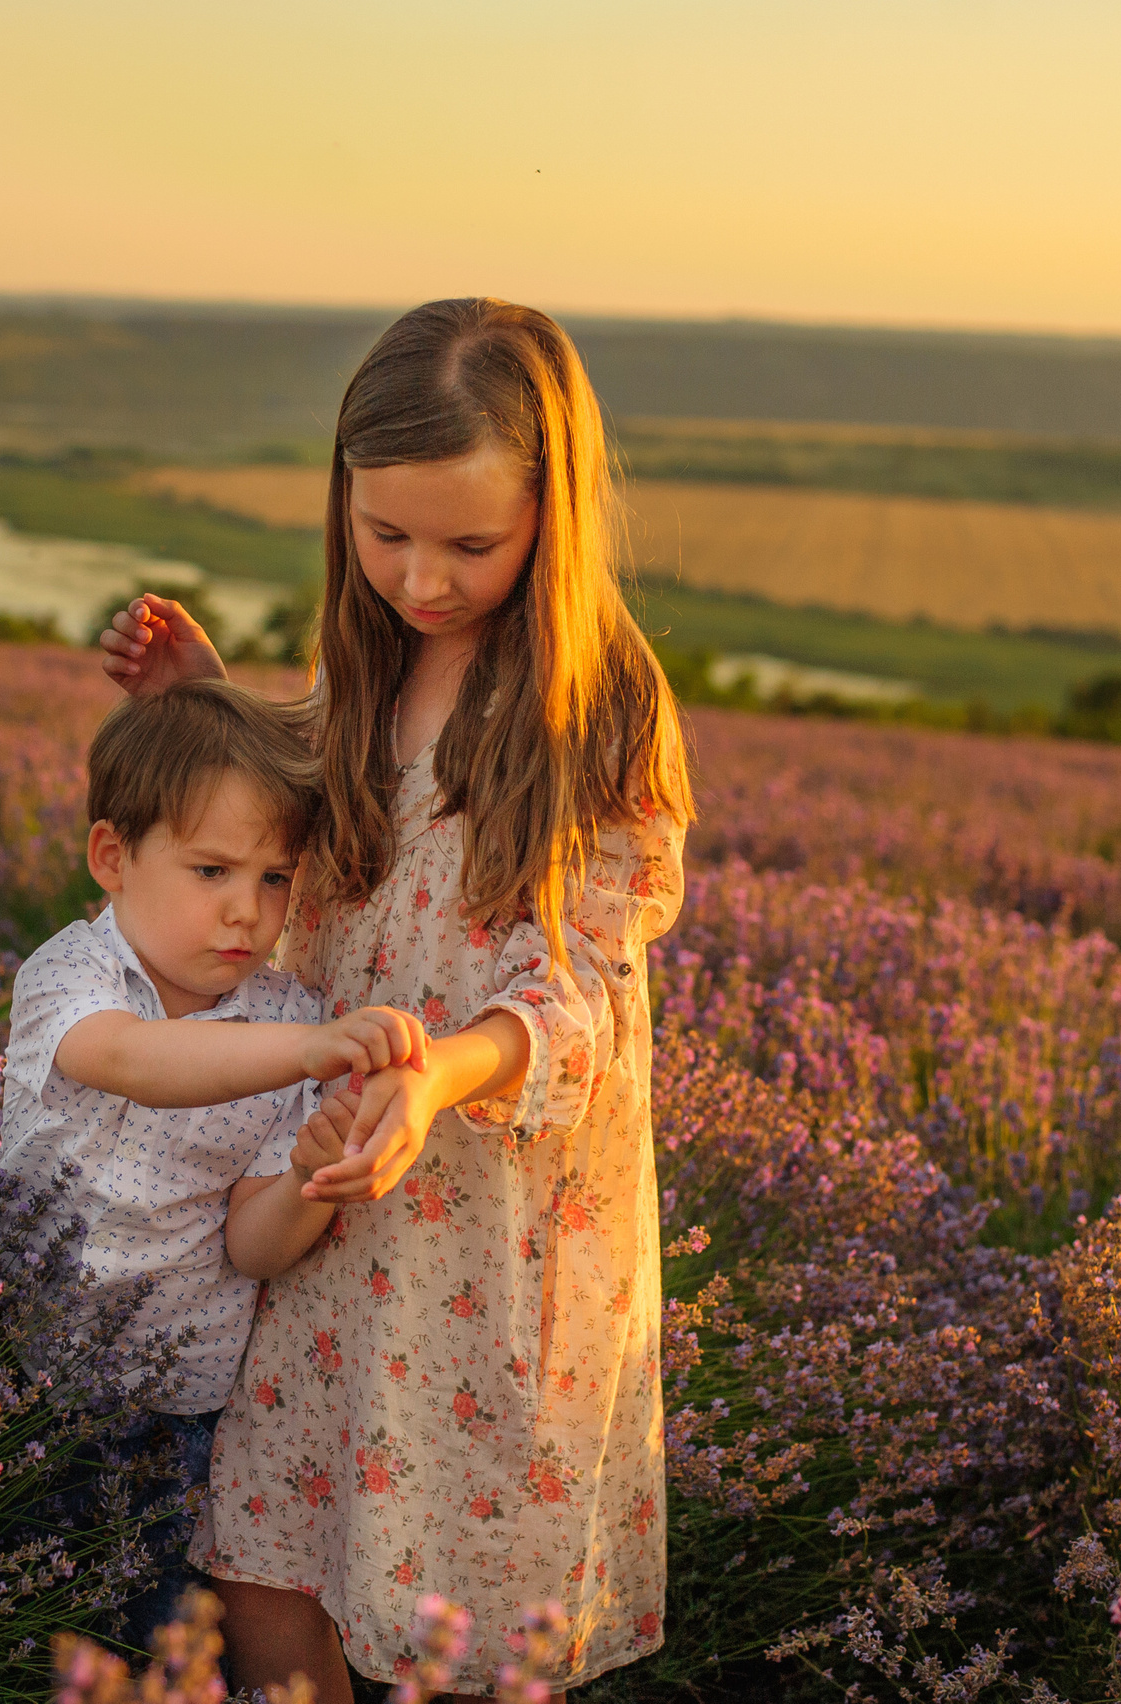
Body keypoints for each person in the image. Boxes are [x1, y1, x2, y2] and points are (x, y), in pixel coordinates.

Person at [97, 298, 693, 1698]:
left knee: (458, 1587)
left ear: (550, 514)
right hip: (326, 1175)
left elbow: (588, 986)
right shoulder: (363, 663)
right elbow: (314, 843)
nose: (422, 579)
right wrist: (210, 706)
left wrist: (439, 1075)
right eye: (386, 535)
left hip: (487, 1216)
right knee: (270, 1554)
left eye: (470, 546)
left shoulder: (600, 704)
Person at [0, 676, 432, 1652]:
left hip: (173, 1400)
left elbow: (251, 1248)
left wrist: (312, 1177)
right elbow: (133, 1061)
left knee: (142, 1637)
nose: (246, 911)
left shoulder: (284, 1017)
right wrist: (309, 1054)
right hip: (18, 1370)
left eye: (275, 879)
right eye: (211, 871)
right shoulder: (71, 974)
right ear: (113, 858)